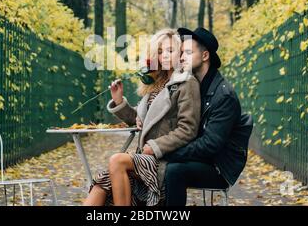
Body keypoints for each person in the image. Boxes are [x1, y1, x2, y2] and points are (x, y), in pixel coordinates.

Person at [83, 28, 201, 206]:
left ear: (180, 52)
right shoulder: (157, 83)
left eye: (171, 50)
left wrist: (155, 146)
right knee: (102, 183)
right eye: (160, 52)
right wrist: (119, 100)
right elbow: (139, 120)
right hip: (143, 158)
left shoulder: (187, 83)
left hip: (164, 159)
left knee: (116, 160)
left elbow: (188, 129)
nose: (166, 56)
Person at [164, 27, 251, 206]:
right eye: (181, 53)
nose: (181, 58)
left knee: (174, 170)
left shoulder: (223, 95)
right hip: (202, 160)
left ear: (205, 56)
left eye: (188, 52)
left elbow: (210, 144)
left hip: (218, 168)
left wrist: (171, 154)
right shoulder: (195, 86)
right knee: (151, 167)